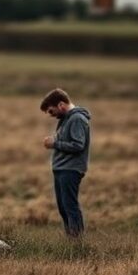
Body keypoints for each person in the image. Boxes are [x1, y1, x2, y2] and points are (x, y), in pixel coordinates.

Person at [41, 88, 91, 238]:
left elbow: (78, 145)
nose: (51, 115)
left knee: (70, 206)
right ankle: (72, 239)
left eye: (51, 111)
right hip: (62, 168)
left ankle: (77, 242)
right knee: (64, 207)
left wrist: (55, 143)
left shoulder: (77, 119)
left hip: (71, 169)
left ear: (61, 104)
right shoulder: (66, 119)